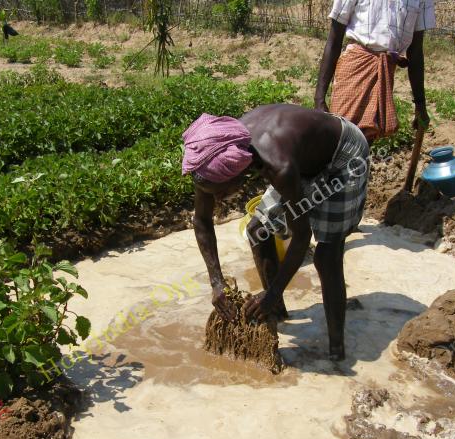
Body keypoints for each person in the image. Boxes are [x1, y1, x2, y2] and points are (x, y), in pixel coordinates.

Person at [184, 105, 370, 361]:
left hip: (342, 156)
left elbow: (302, 236)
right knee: (258, 230)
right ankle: (276, 313)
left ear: (238, 172)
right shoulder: (211, 155)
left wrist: (272, 292)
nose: (217, 199)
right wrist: (217, 282)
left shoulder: (277, 165)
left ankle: (336, 352)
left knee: (327, 255)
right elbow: (202, 221)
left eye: (222, 192)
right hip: (300, 155)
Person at [314, 0, 436, 141]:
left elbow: (415, 51)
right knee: (341, 136)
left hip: (385, 71)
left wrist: (420, 105)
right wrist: (319, 99)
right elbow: (334, 39)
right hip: (355, 66)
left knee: (367, 138)